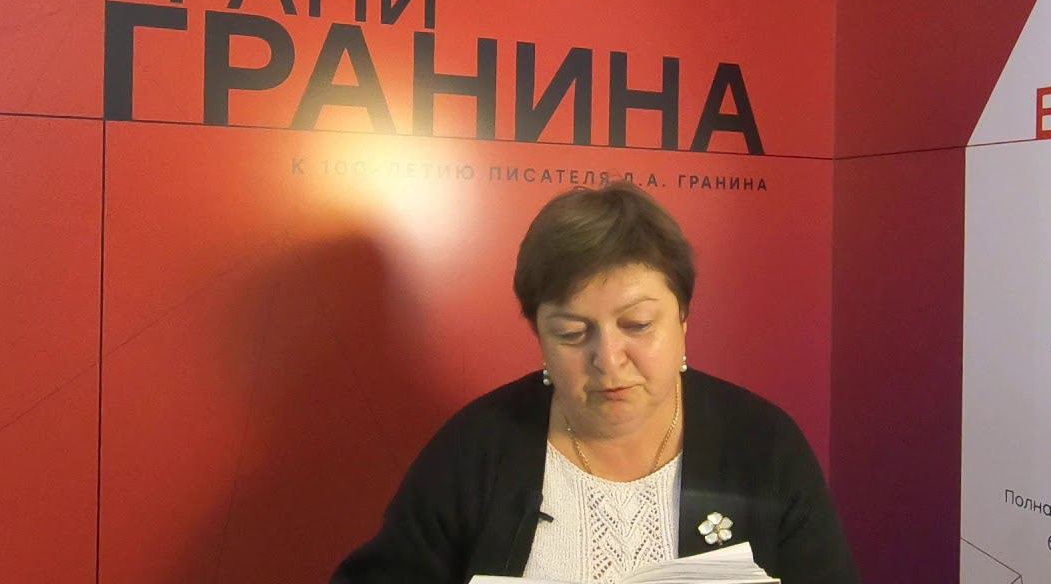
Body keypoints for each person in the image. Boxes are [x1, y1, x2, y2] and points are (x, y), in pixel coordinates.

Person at [332, 182, 859, 583]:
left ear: (683, 318)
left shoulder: (762, 446)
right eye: (572, 333)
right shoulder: (476, 452)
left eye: (637, 325)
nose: (607, 360)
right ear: (538, 334)